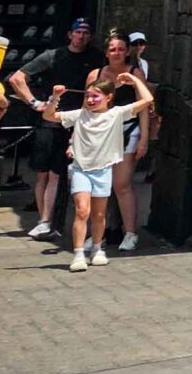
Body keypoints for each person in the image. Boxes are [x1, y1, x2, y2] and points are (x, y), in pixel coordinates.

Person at [41, 66, 154, 273]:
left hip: (103, 170)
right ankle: (78, 253)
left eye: (95, 96)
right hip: (81, 169)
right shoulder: (80, 115)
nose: (91, 100)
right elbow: (49, 116)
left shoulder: (117, 114)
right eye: (88, 96)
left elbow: (147, 100)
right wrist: (55, 97)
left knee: (99, 215)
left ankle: (96, 248)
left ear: (108, 98)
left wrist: (135, 81)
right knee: (82, 210)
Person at [6, 17, 97, 238]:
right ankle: (44, 220)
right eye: (78, 32)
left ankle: (62, 221)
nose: (81, 36)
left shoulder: (96, 57)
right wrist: (34, 102)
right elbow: (17, 78)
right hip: (51, 119)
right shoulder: (52, 56)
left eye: (85, 33)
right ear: (70, 34)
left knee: (62, 174)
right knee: (44, 173)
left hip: (80, 119)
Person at [113, 29, 158, 251]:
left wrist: (144, 138)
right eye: (112, 49)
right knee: (101, 186)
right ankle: (99, 233)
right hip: (102, 133)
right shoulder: (96, 74)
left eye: (121, 49)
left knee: (122, 184)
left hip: (128, 130)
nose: (117, 53)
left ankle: (130, 232)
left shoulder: (136, 72)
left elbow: (144, 107)